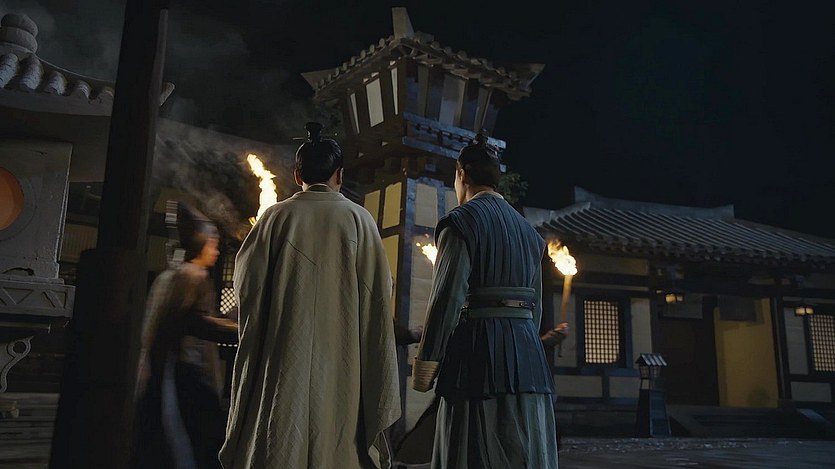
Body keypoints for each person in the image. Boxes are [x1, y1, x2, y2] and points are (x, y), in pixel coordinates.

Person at [220, 122, 401, 469]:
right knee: (338, 436)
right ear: (340, 175)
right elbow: (379, 292)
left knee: (280, 434)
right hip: (342, 356)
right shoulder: (359, 219)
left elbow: (246, 286)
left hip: (284, 354)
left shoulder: (274, 218)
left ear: (297, 174)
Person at [411, 134, 559, 468]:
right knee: (527, 451)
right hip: (526, 358)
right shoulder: (529, 233)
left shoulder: (460, 222)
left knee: (474, 449)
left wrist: (427, 363)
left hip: (476, 353)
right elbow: (534, 308)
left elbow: (446, 298)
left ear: (461, 174)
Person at [133, 202, 239, 469]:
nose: (216, 251)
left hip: (165, 370)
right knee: (198, 442)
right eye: (213, 244)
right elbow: (199, 324)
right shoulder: (192, 276)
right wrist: (244, 331)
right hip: (186, 372)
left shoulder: (169, 276)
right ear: (200, 243)